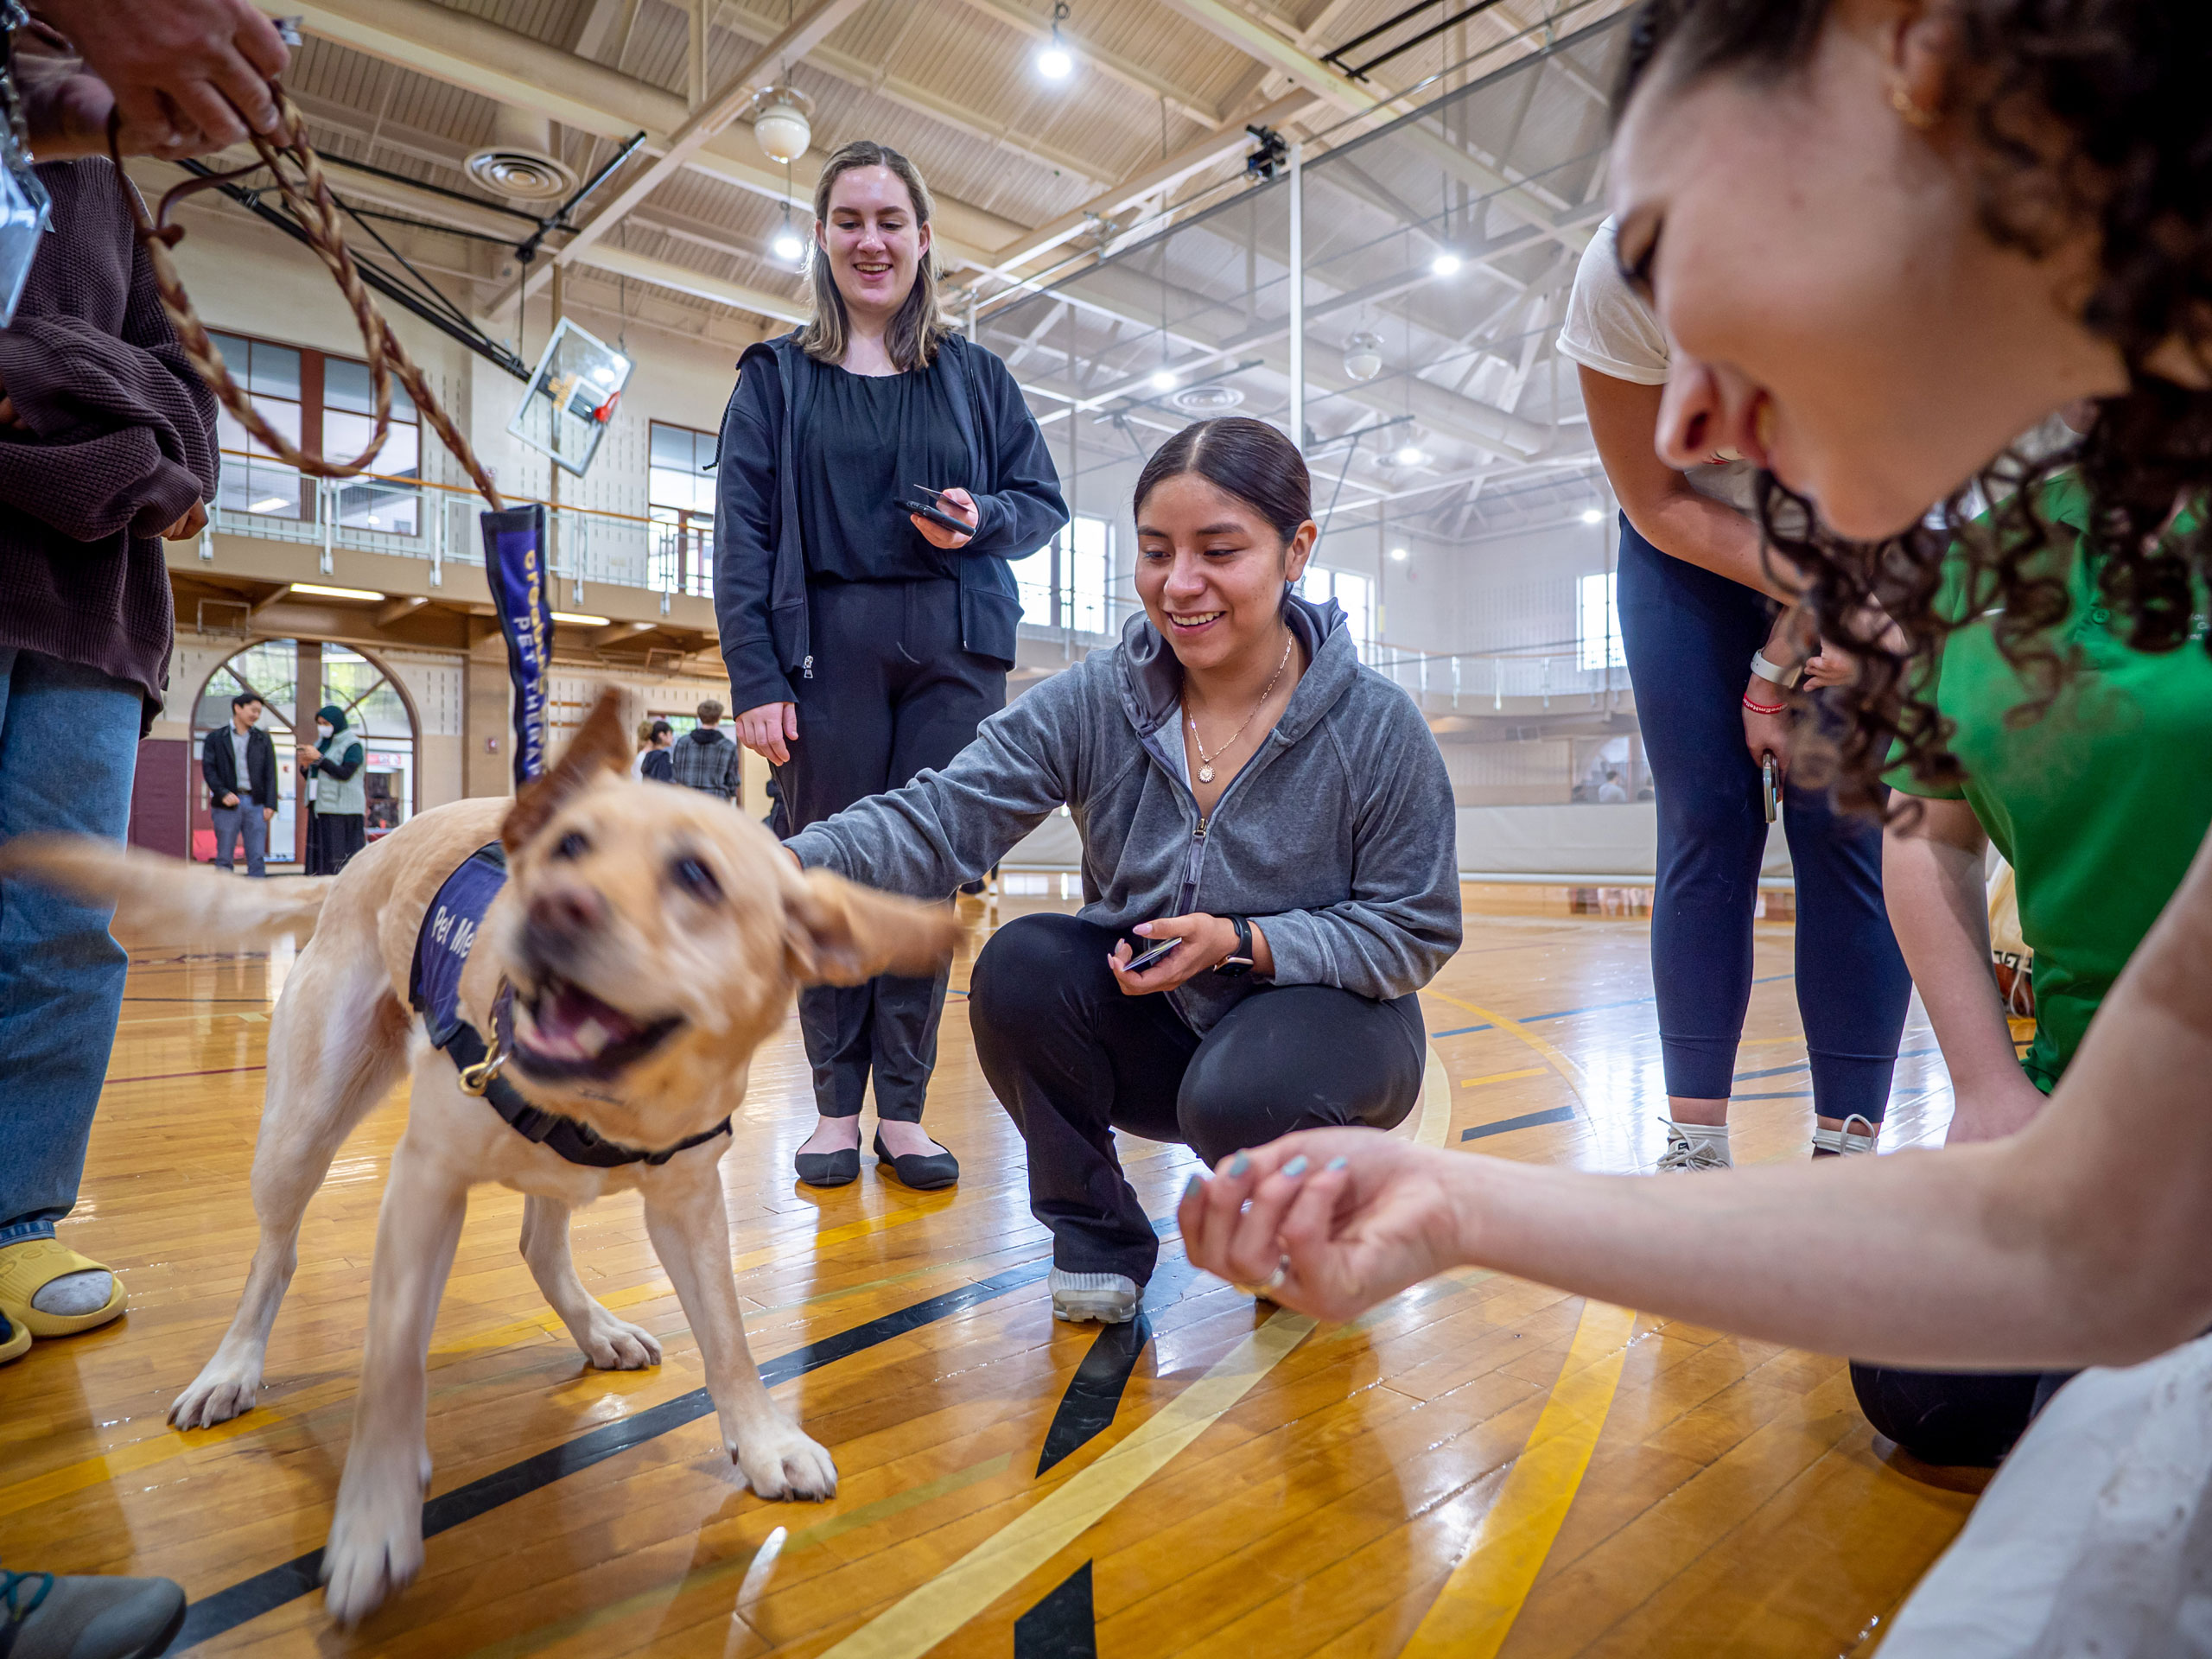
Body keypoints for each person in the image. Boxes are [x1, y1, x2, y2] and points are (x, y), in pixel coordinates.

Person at [1175, 0, 2212, 1401]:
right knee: (1928, 1382)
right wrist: (1460, 1207)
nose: (1680, 428)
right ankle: (1698, 1122)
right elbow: (2105, 1243)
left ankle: (1834, 1119)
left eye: (1671, 241)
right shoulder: (2048, 519)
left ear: (1906, 51)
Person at [785, 416, 1459, 1321]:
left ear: (1295, 549)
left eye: (1219, 551)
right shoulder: (1097, 700)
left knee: (1246, 1095)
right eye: (1155, 552)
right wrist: (776, 864)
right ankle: (1096, 1234)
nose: (1180, 586)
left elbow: (1414, 927)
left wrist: (1244, 941)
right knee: (1019, 968)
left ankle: (1321, 1209)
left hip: (1322, 1038)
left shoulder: (1375, 725)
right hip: (1159, 1027)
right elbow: (940, 815)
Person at [715, 138, 1066, 1192]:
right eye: (850, 221)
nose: (871, 241)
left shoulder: (975, 376)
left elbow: (1041, 503)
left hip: (954, 651)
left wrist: (985, 516)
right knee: (827, 877)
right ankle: (832, 1109)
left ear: (923, 240)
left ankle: (904, 1113)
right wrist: (756, 678)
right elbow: (739, 531)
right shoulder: (775, 377)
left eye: (890, 221)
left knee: (921, 883)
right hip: (824, 652)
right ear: (822, 240)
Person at [1560, 215, 1911, 1170]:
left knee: (1843, 821)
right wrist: (1762, 667)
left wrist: (1784, 657)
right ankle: (1693, 1143)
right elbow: (1658, 497)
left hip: (1858, 536)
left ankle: (1847, 1145)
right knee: (1707, 820)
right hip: (1684, 541)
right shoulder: (1620, 273)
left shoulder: (1902, 279)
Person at [0, 154, 219, 1357]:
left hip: (99, 619)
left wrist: (42, 376)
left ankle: (21, 1219)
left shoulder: (110, 188)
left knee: (67, 928)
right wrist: (122, 420)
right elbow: (152, 424)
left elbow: (190, 425)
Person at [200, 689, 276, 876]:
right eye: (253, 710)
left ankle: (256, 901)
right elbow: (209, 770)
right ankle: (223, 901)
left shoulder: (263, 739)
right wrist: (222, 792)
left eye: (259, 712)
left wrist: (270, 804)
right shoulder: (216, 738)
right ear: (237, 708)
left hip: (256, 804)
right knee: (224, 857)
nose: (256, 715)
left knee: (257, 857)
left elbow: (271, 773)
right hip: (226, 805)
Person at [296, 702, 365, 876]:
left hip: (342, 810)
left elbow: (345, 773)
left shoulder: (352, 745)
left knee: (338, 858)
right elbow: (318, 775)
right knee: (319, 856)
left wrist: (319, 758)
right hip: (319, 807)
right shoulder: (321, 743)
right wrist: (305, 766)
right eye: (320, 723)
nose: (322, 727)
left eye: (326, 723)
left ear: (337, 722)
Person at [668, 700, 738, 801]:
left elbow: (675, 775)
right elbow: (732, 781)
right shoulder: (728, 746)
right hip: (715, 802)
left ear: (700, 717)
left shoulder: (682, 742)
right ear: (719, 718)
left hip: (686, 801)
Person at [639, 719, 675, 784]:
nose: (673, 738)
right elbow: (664, 784)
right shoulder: (662, 757)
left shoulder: (648, 755)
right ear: (662, 735)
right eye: (671, 734)